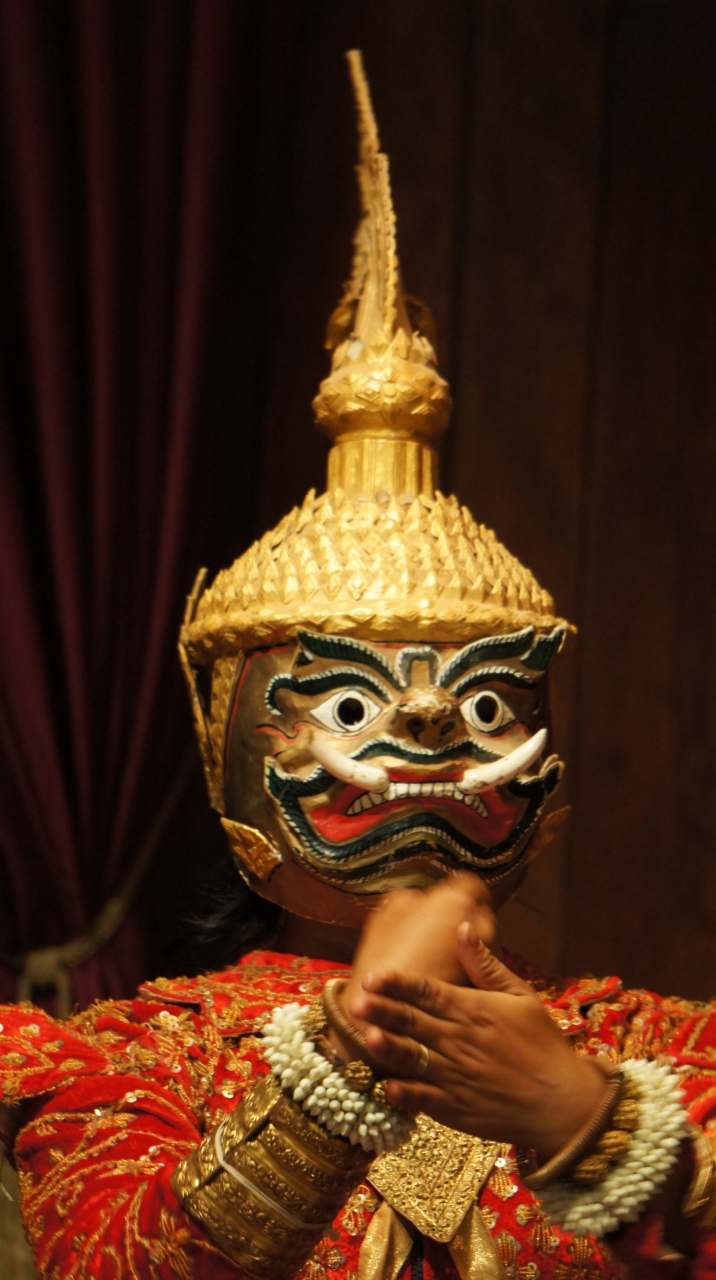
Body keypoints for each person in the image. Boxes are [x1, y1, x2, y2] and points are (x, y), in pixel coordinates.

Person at [1, 50, 716, 1280]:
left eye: (484, 700)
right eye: (346, 701)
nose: (429, 729)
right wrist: (341, 1056)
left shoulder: (654, 1049)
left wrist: (587, 1119)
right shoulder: (130, 1058)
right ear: (227, 736)